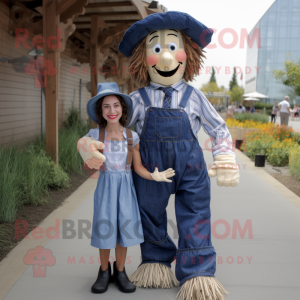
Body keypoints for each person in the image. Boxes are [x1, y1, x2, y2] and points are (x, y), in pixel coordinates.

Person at [80, 11, 240, 300]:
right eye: (156, 49)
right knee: (150, 213)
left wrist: (225, 156)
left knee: (195, 213)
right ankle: (155, 262)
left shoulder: (194, 96)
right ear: (143, 57)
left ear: (188, 54)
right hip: (150, 165)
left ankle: (197, 272)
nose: (166, 59)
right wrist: (91, 144)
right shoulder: (138, 99)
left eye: (172, 47)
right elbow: (118, 131)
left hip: (190, 166)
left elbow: (218, 128)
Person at [77, 82, 175, 294]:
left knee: (124, 229)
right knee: (105, 228)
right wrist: (85, 150)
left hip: (126, 189)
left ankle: (120, 271)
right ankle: (104, 271)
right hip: (105, 189)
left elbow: (137, 167)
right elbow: (85, 153)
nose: (112, 111)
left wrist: (153, 176)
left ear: (123, 109)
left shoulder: (132, 137)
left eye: (116, 106)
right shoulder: (95, 135)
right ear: (100, 111)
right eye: (106, 106)